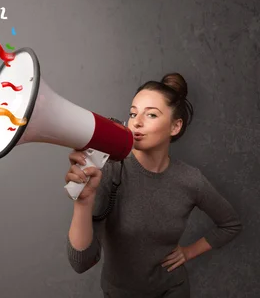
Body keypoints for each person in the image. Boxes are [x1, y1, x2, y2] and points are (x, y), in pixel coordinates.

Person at [65, 73, 242, 298]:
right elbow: (81, 263)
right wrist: (83, 202)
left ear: (175, 127)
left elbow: (231, 224)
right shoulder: (110, 172)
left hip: (172, 290)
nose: (136, 122)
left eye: (151, 114)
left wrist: (188, 252)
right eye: (132, 113)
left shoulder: (190, 180)